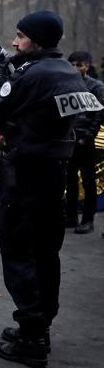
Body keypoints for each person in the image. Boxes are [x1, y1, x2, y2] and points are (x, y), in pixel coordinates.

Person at [0, 10, 94, 368]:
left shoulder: (31, 74)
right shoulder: (67, 73)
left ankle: (32, 338)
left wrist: (1, 75)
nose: (15, 42)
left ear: (37, 39)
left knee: (19, 252)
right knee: (46, 253)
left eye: (20, 36)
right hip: (54, 175)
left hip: (25, 175)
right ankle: (41, 325)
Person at [65, 51, 104, 234]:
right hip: (69, 138)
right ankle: (71, 216)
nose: (74, 68)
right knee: (70, 180)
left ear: (86, 66)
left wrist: (88, 136)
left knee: (88, 181)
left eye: (78, 64)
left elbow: (100, 114)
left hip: (85, 140)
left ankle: (88, 220)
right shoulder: (66, 85)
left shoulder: (96, 86)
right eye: (71, 64)